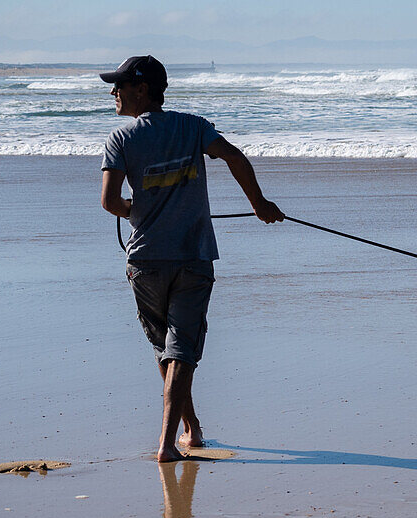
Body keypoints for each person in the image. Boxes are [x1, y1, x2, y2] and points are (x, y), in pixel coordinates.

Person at [99, 55, 285, 462]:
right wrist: (259, 203)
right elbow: (235, 157)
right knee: (180, 348)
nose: (114, 92)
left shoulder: (120, 139)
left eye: (120, 85)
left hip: (146, 260)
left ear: (142, 89)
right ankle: (185, 432)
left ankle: (176, 438)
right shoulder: (193, 126)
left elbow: (110, 201)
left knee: (166, 349)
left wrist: (136, 210)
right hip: (193, 255)